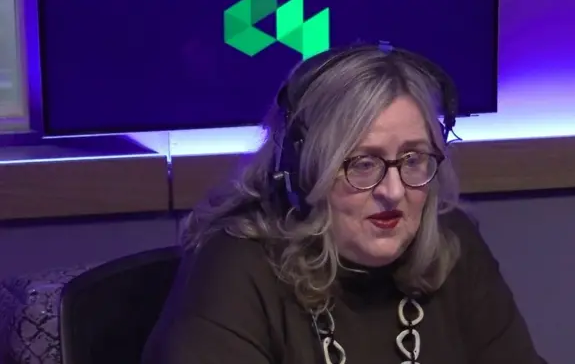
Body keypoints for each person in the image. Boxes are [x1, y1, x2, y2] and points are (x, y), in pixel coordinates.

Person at [142, 43, 546, 364]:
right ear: (302, 173)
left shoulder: (453, 243)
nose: (393, 190)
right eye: (363, 163)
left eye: (413, 159)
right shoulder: (236, 268)